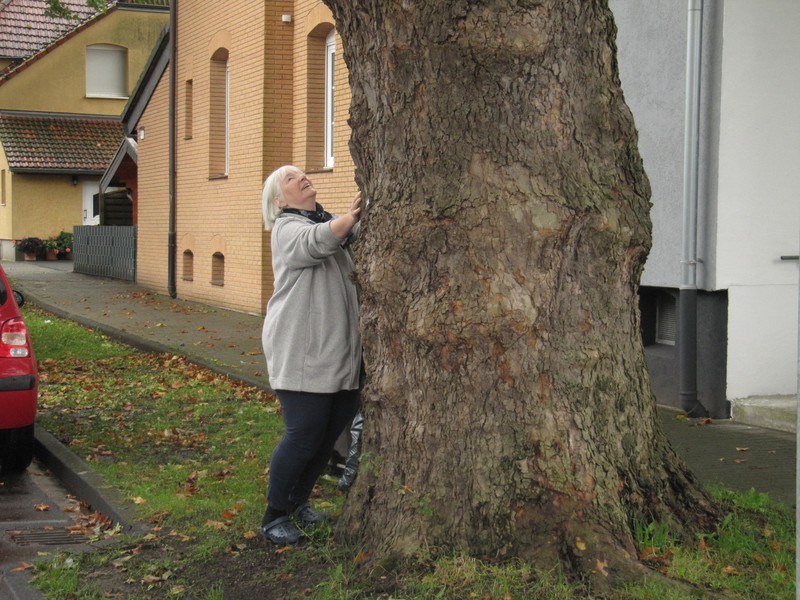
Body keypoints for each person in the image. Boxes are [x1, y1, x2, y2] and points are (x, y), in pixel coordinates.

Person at [259, 165, 363, 545]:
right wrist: (352, 218)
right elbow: (316, 242)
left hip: (340, 354)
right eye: (290, 178)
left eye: (302, 173)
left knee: (326, 439)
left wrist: (354, 216)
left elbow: (339, 232)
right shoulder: (287, 229)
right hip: (302, 352)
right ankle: (273, 517)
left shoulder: (327, 220)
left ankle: (297, 502)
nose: (301, 177)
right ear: (278, 200)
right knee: (303, 436)